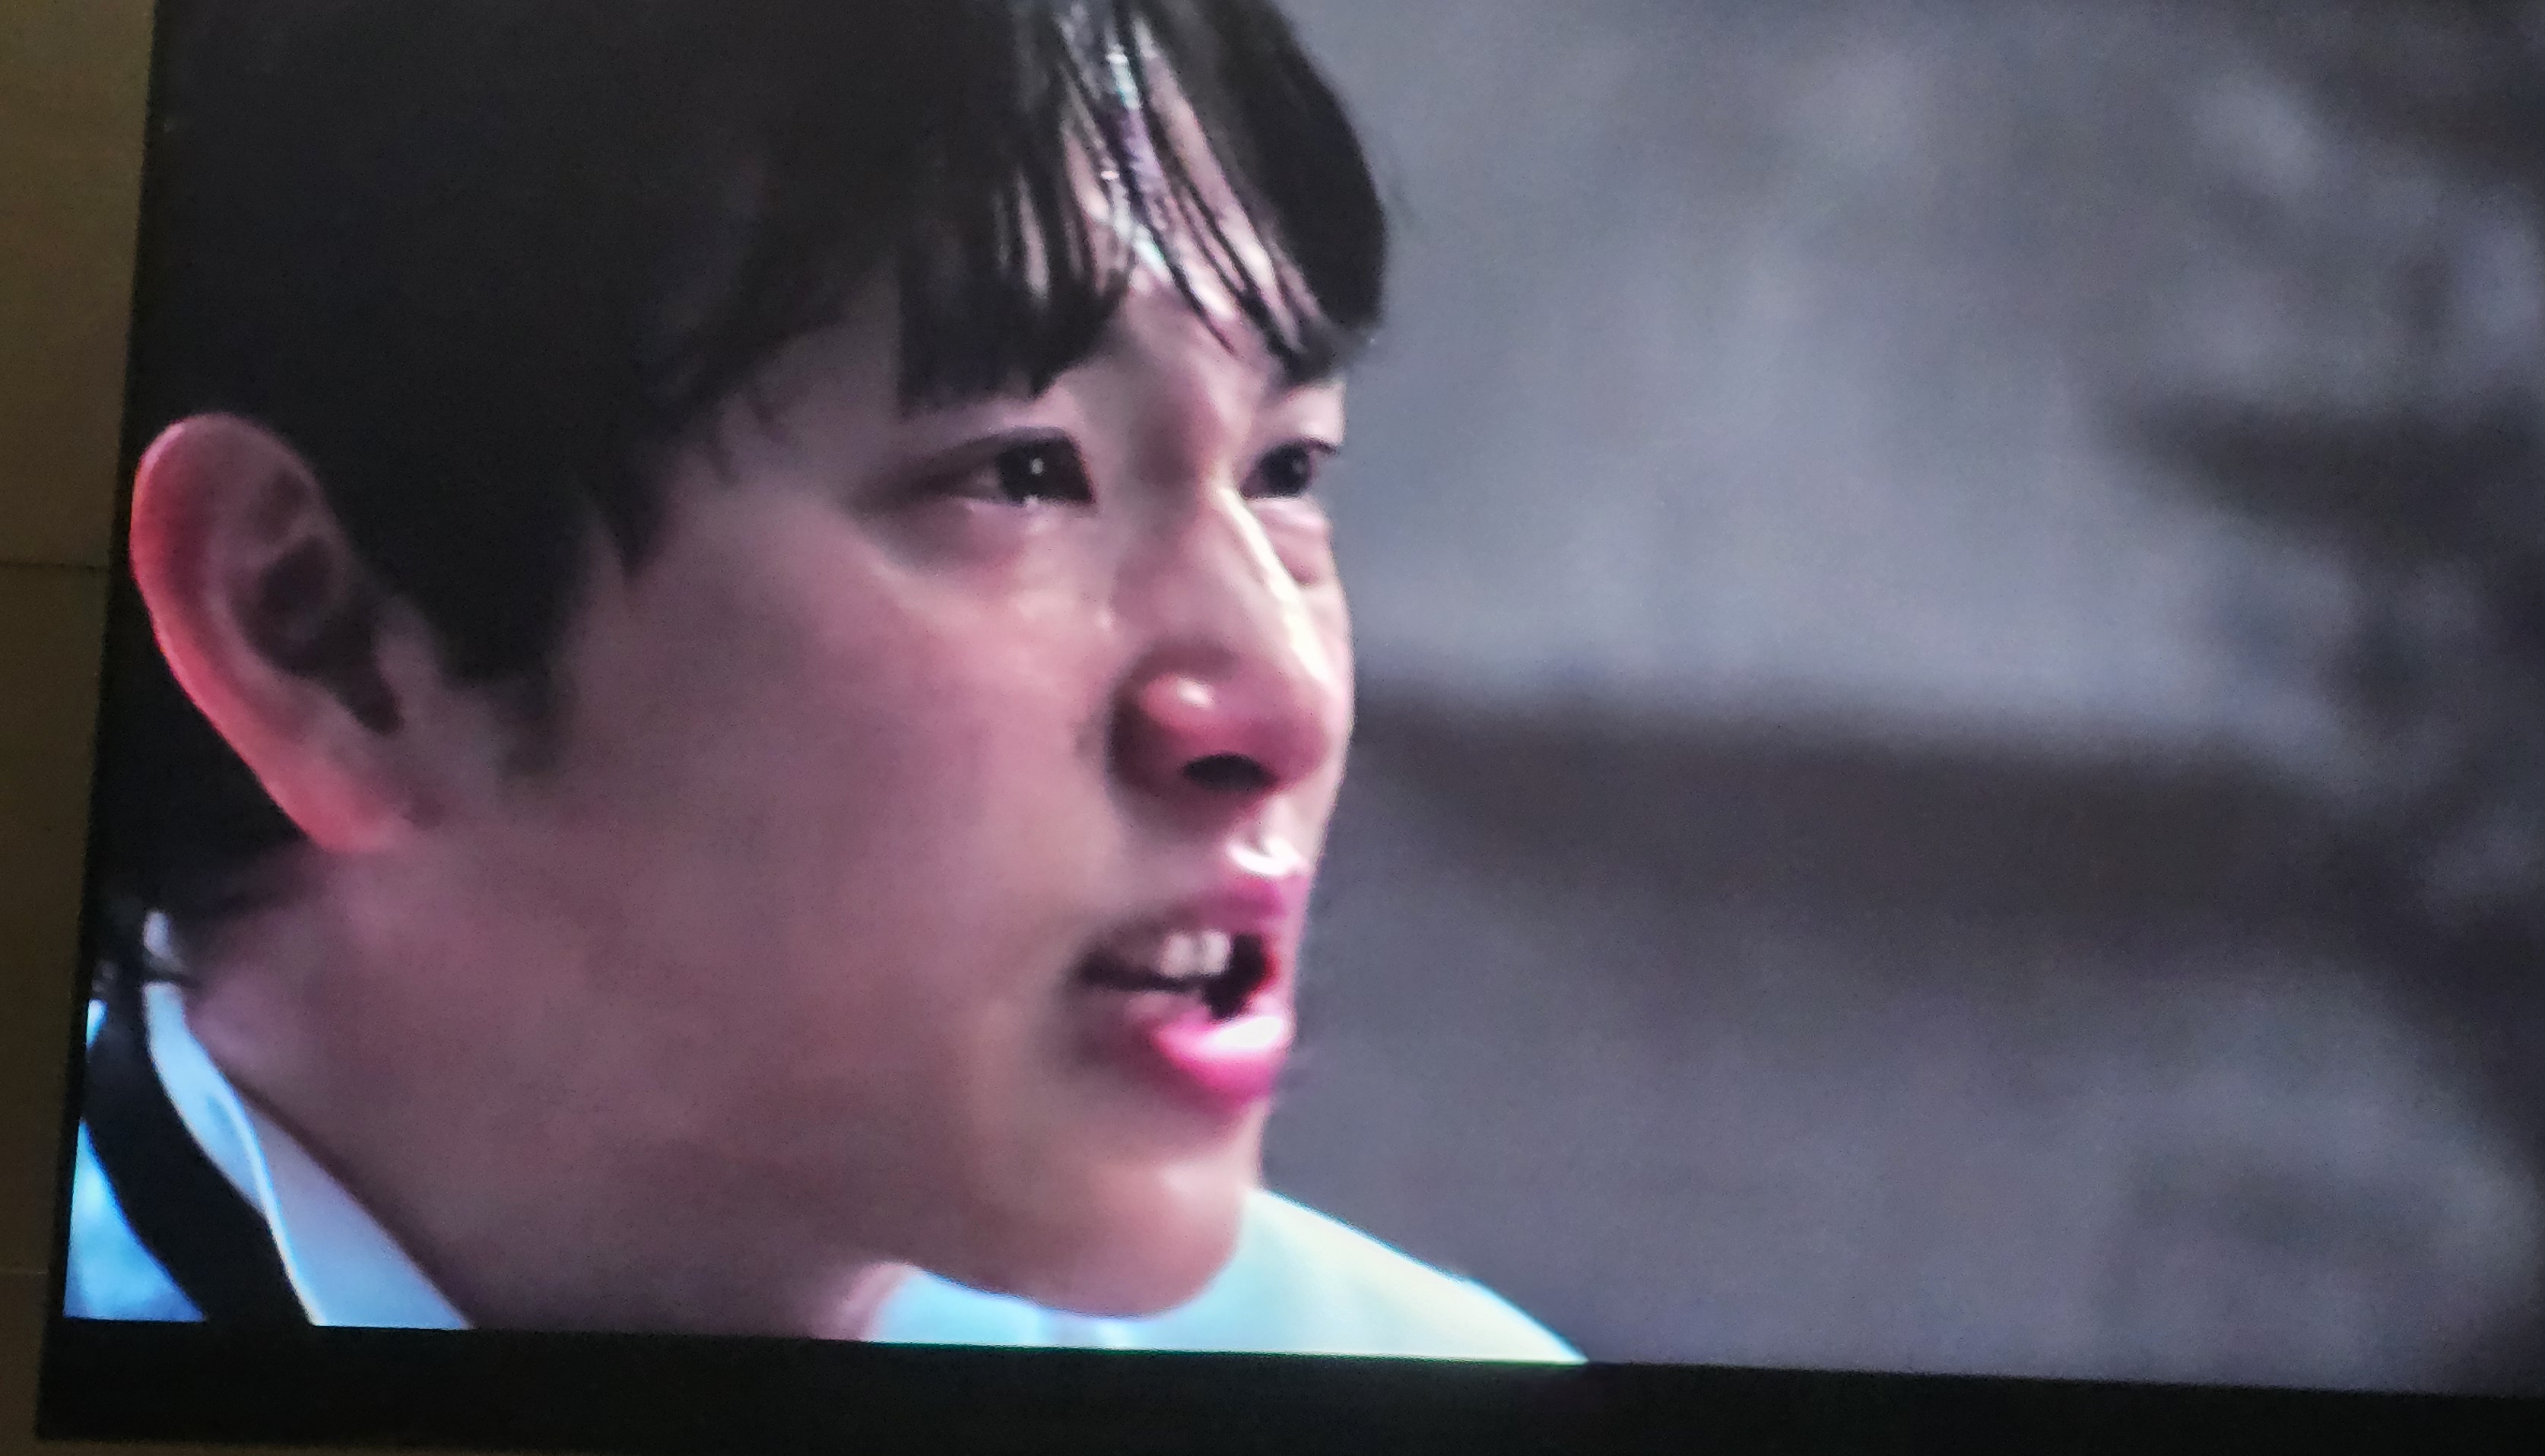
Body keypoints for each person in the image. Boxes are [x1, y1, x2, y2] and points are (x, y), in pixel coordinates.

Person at [58, 0, 1574, 1361]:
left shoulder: (1436, 1447)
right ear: (322, 632)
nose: (1282, 705)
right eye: (1022, 470)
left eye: (1285, 471)